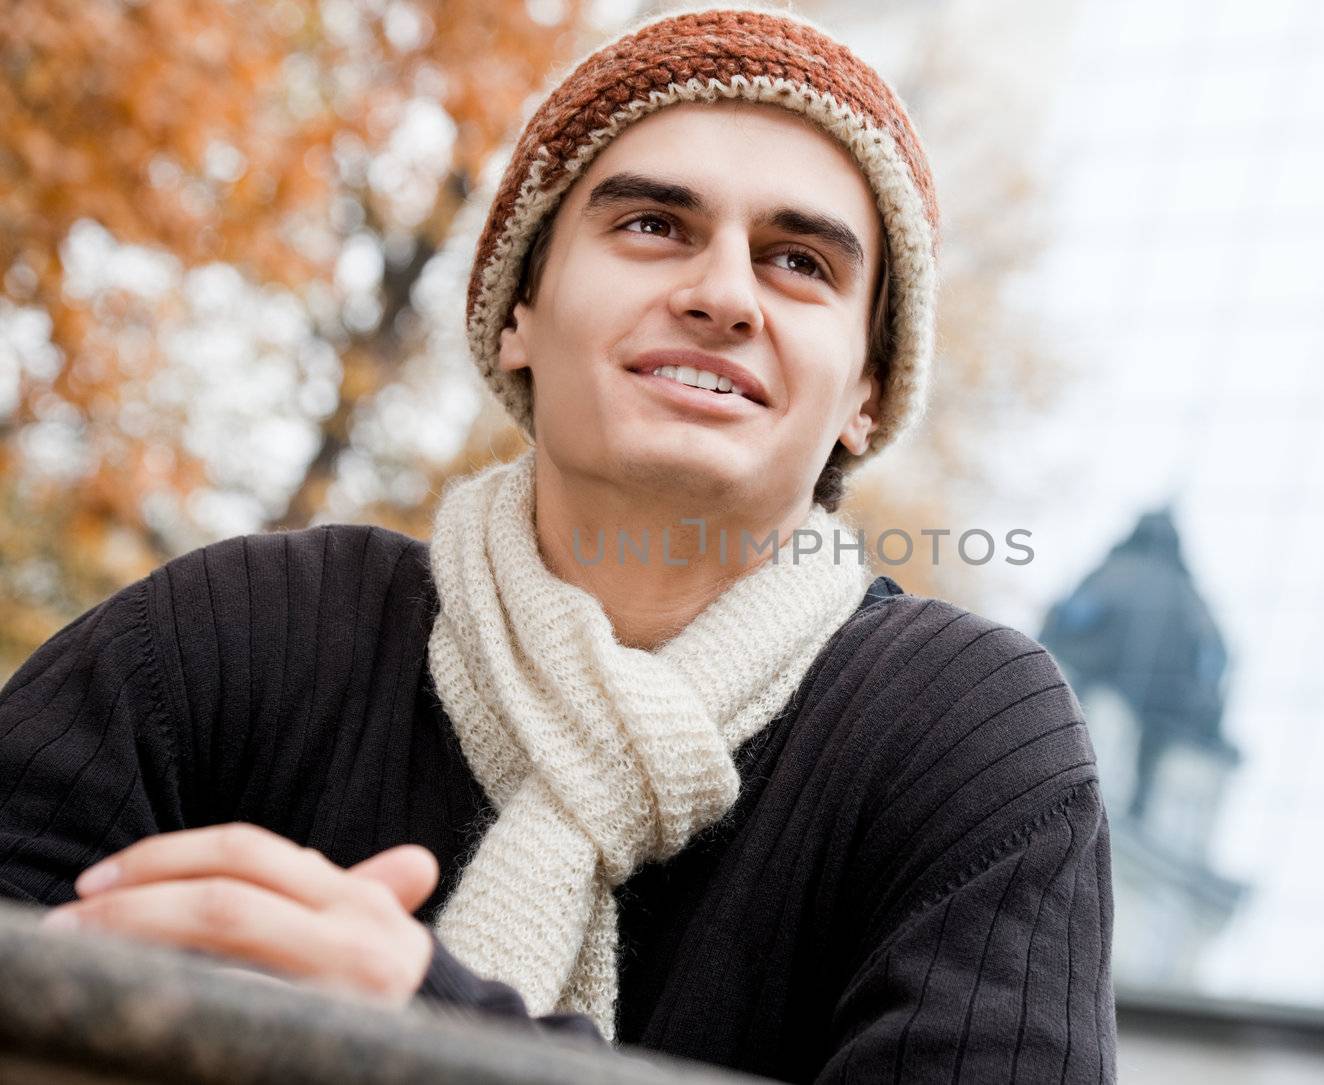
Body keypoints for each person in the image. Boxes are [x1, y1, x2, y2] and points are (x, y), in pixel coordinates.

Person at [0, 6, 1117, 1082]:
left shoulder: (967, 739)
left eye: (800, 262)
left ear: (866, 393)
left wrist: (418, 1036)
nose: (724, 293)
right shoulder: (235, 630)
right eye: (652, 226)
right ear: (519, 312)